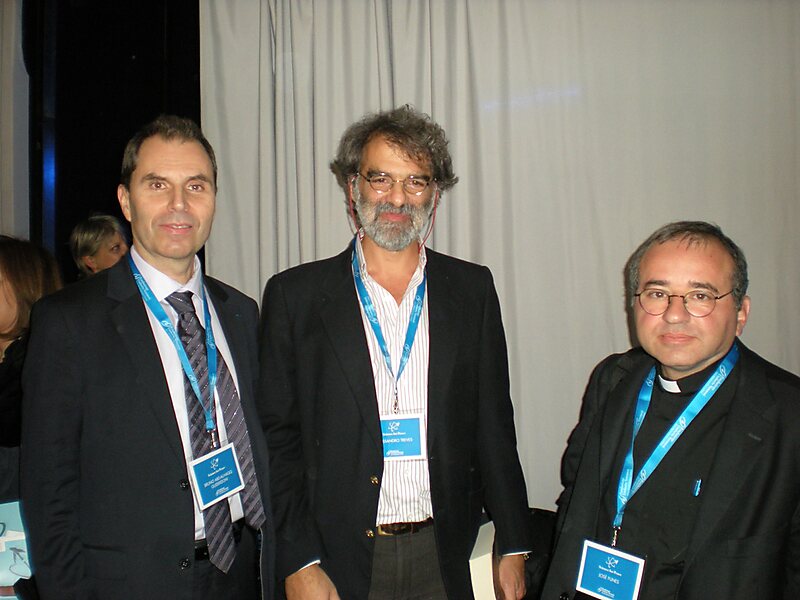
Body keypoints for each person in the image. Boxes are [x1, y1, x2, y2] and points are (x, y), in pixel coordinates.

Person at [259, 105, 532, 600]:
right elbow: (278, 440)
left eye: (415, 182)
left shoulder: (472, 289)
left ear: (435, 193)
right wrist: (297, 559)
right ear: (353, 187)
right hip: (338, 558)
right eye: (381, 178)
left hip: (446, 551)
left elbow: (495, 422)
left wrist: (514, 542)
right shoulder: (295, 297)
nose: (397, 198)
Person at [21, 115, 275, 600]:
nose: (179, 204)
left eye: (196, 186)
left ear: (214, 199)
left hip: (241, 573)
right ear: (125, 200)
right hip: (131, 584)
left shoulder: (240, 312)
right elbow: (49, 494)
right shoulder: (68, 322)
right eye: (158, 185)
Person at [541, 221, 800, 599]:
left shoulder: (789, 415)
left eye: (700, 295)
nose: (674, 314)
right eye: (658, 293)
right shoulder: (613, 379)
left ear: (741, 313)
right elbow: (576, 495)